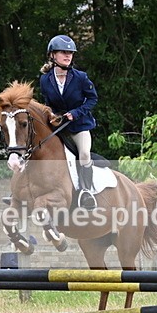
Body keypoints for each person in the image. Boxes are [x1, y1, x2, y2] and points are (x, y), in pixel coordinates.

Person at [39, 34, 99, 209]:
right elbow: (47, 104)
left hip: (79, 127)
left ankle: (87, 191)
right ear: (52, 55)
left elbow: (92, 99)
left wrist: (76, 112)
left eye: (70, 53)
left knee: (85, 154)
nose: (68, 56)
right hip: (58, 127)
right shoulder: (45, 80)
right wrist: (51, 114)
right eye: (63, 52)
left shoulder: (80, 77)